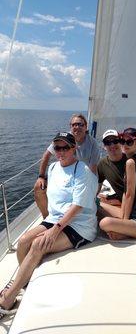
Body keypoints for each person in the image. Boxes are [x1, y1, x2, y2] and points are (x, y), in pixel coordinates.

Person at [0, 132, 98, 317]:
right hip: (55, 218)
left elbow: (77, 206)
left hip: (80, 225)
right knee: (23, 242)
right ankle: (26, 281)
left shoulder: (82, 170)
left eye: (65, 148)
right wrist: (40, 180)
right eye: (57, 148)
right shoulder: (53, 168)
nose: (60, 152)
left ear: (74, 148)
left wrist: (55, 230)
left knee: (38, 244)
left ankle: (7, 300)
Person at [34, 114, 100, 218]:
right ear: (70, 126)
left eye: (80, 124)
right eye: (74, 124)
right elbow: (46, 155)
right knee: (38, 187)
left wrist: (90, 191)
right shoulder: (63, 139)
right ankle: (46, 217)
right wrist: (41, 176)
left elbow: (92, 170)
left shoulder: (93, 144)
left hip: (83, 177)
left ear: (86, 127)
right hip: (65, 176)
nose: (77, 127)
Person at [99, 128, 136, 240]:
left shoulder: (130, 162)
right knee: (97, 205)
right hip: (135, 215)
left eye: (129, 142)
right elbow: (127, 193)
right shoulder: (135, 160)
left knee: (104, 224)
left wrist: (123, 224)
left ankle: (125, 233)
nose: (125, 144)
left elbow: (129, 194)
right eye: (123, 141)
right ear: (104, 146)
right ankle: (125, 231)